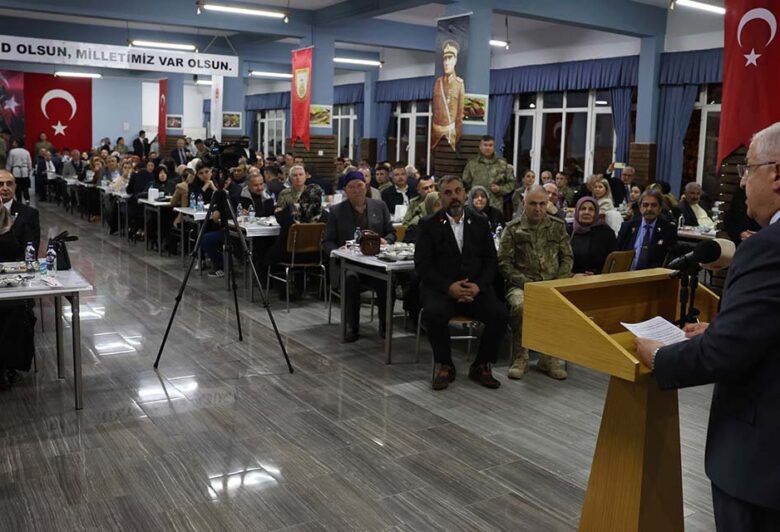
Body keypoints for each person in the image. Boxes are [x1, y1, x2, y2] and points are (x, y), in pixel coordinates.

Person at [635, 121, 780, 532]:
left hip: (760, 462)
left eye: (748, 169)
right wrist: (720, 331)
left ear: (777, 174)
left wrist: (661, 356)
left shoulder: (767, 248)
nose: (743, 180)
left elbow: (723, 355)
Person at [415, 175, 507, 390]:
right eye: (447, 193)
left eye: (457, 191)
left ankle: (481, 364)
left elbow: (490, 261)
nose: (454, 197)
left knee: (500, 314)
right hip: (442, 290)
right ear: (440, 196)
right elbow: (422, 265)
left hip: (475, 289)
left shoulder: (480, 222)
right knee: (433, 313)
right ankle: (444, 364)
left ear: (465, 194)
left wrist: (479, 286)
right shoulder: (428, 224)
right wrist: (448, 287)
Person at [499, 185, 573, 380]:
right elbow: (504, 263)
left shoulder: (557, 227)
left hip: (552, 284)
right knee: (521, 305)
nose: (538, 208)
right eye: (533, 204)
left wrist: (557, 283)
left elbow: (567, 258)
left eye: (542, 204)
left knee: (556, 304)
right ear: (524, 204)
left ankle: (549, 358)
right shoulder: (513, 229)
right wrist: (525, 283)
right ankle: (520, 357)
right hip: (521, 284)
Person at [323, 172, 395, 342]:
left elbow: (391, 232)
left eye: (360, 186)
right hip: (348, 265)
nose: (357, 190)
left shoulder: (379, 206)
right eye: (352, 187)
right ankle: (352, 326)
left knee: (387, 281)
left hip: (375, 263)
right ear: (346, 191)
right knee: (351, 279)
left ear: (366, 187)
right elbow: (327, 242)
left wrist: (387, 240)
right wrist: (337, 251)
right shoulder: (336, 211)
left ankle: (385, 325)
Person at [616, 189, 678, 270]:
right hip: (627, 275)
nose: (649, 209)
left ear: (660, 208)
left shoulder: (669, 229)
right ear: (640, 207)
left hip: (654, 278)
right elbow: (617, 253)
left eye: (654, 205)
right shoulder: (627, 226)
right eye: (645, 205)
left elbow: (671, 259)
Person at [463, 135, 515, 211]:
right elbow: (465, 183)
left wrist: (500, 189)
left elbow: (511, 183)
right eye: (485, 145)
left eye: (490, 145)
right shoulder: (472, 163)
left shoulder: (502, 164)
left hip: (495, 205)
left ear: (493, 147)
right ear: (480, 147)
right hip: (476, 204)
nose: (488, 148)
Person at [431, 40, 464, 150]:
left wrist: (455, 135)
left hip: (450, 133)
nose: (446, 62)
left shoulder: (459, 84)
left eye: (449, 58)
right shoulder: (438, 83)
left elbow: (460, 116)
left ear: (455, 60)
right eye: (444, 59)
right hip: (435, 133)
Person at [570, 197, 617, 274]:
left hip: (600, 278)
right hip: (572, 279)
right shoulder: (570, 231)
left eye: (591, 209)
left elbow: (613, 260)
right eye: (583, 208)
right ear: (577, 211)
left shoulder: (606, 232)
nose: (586, 212)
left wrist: (596, 273)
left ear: (596, 213)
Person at [0, 170, 40, 253]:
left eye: (9, 184)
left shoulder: (30, 214)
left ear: (15, 187)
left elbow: (32, 250)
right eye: (0, 184)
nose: (5, 188)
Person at [5, 138, 32, 203]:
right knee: (25, 187)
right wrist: (29, 170)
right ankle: (27, 199)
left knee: (17, 187)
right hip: (25, 171)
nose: (13, 144)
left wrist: (7, 171)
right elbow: (29, 162)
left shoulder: (12, 152)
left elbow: (9, 163)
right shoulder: (26, 152)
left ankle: (19, 200)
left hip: (16, 171)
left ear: (17, 143)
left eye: (14, 142)